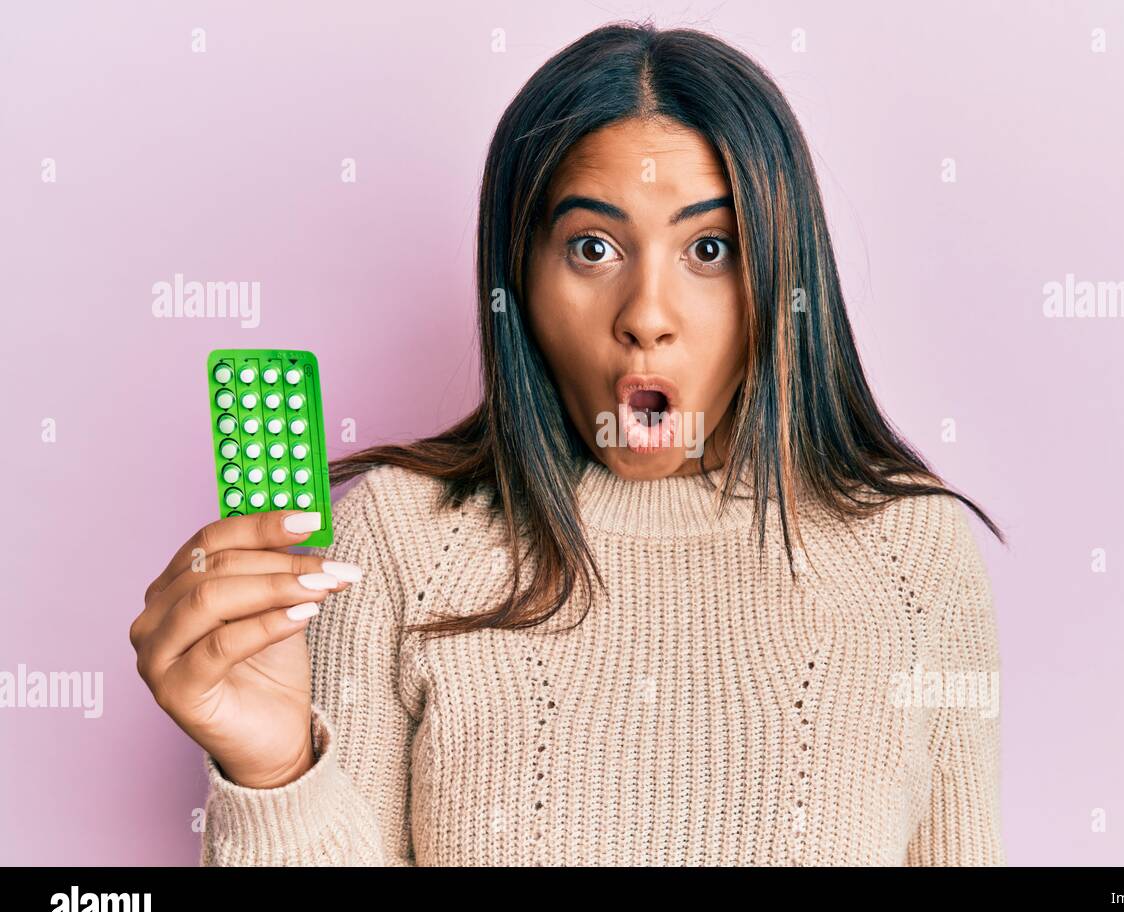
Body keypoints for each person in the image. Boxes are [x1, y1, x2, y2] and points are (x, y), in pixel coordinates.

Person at [130, 20, 1007, 866]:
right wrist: (276, 771)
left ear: (782, 278)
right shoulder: (400, 542)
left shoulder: (909, 554)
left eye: (710, 248)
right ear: (519, 277)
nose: (646, 317)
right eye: (592, 247)